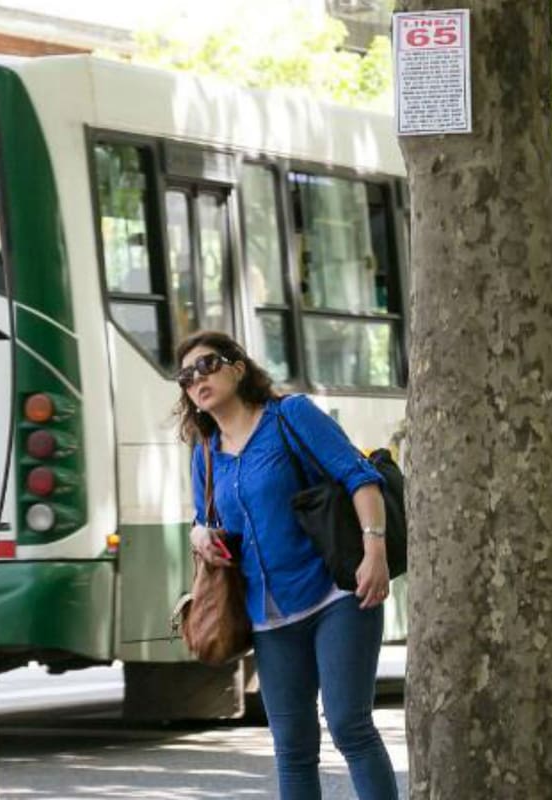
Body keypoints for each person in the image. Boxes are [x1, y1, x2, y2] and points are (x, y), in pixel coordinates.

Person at [176, 330, 399, 800]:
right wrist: (200, 534)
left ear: (237, 367)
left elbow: (361, 478)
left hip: (337, 594)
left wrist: (374, 552)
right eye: (186, 375)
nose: (198, 378)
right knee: (293, 748)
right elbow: (207, 519)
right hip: (269, 616)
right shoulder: (206, 455)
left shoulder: (289, 417)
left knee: (348, 725)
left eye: (208, 364)